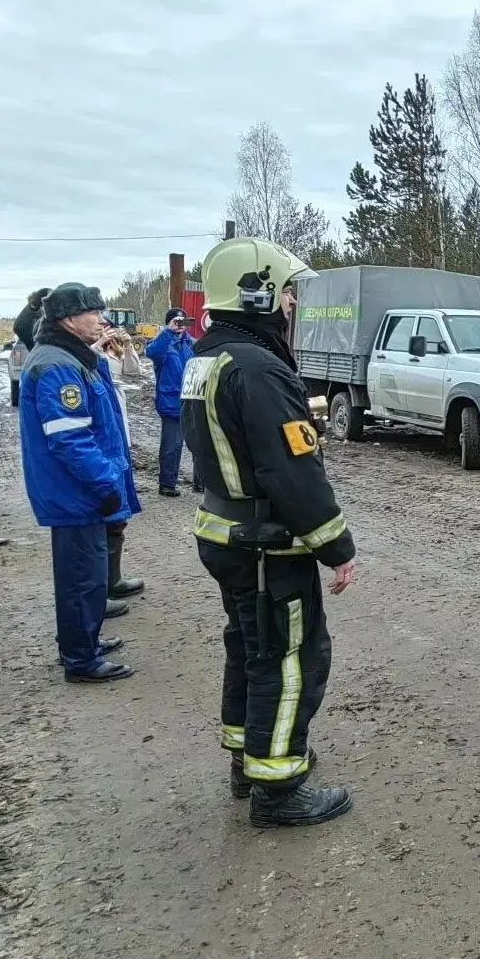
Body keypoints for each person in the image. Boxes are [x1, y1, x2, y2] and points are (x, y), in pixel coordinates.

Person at [183, 235, 356, 826]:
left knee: (249, 649)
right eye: (285, 291)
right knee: (288, 661)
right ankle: (278, 788)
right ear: (255, 294)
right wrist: (336, 547)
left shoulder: (209, 358)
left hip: (225, 534)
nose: (292, 302)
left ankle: (248, 759)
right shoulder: (257, 369)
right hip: (266, 545)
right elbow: (292, 473)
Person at [19, 283, 140, 682]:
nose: (102, 320)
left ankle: (82, 642)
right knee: (82, 579)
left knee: (84, 576)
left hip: (76, 491)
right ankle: (80, 660)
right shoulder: (58, 366)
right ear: (69, 319)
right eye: (94, 313)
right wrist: (105, 485)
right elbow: (70, 439)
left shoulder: (68, 356)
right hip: (76, 493)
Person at [92, 318, 146, 614]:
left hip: (118, 431)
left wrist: (126, 346)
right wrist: (97, 346)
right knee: (104, 516)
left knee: (118, 516)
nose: (104, 329)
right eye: (98, 323)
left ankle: (114, 579)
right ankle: (100, 588)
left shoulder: (113, 351)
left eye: (106, 325)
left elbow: (133, 373)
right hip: (102, 437)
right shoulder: (85, 355)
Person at [145, 308, 195, 496]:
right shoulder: (163, 344)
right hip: (171, 402)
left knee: (200, 445)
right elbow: (151, 352)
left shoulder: (191, 343)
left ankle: (201, 483)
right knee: (172, 446)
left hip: (192, 401)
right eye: (176, 321)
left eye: (183, 321)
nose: (180, 325)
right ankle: (167, 484)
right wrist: (168, 332)